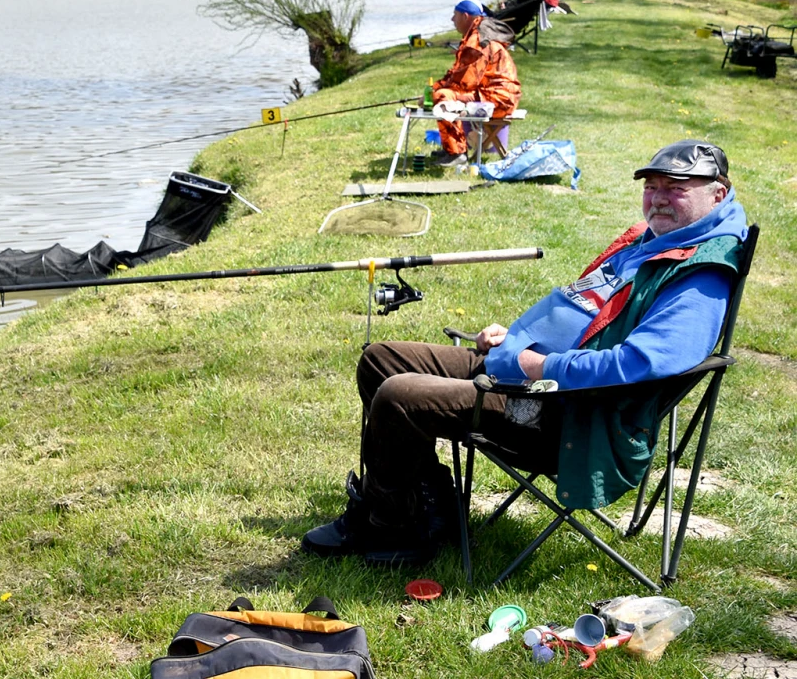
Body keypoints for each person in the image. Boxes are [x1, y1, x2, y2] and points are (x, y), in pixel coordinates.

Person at [302, 140, 749, 564]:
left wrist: (540, 364)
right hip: (526, 375)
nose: (658, 199)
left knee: (401, 395)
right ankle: (427, 502)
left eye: (676, 188)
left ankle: (394, 526)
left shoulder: (701, 274)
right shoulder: (653, 241)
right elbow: (582, 309)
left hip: (564, 413)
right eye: (652, 187)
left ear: (718, 194)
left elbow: (639, 365)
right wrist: (514, 338)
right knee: (381, 358)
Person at [428, 0, 521, 167]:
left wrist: (436, 91)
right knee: (442, 93)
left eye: (454, 15)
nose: (452, 20)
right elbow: (458, 73)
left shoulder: (477, 41)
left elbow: (463, 83)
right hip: (495, 95)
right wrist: (435, 88)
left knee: (444, 96)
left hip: (498, 100)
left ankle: (456, 153)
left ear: (465, 16)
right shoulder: (476, 33)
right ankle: (451, 148)